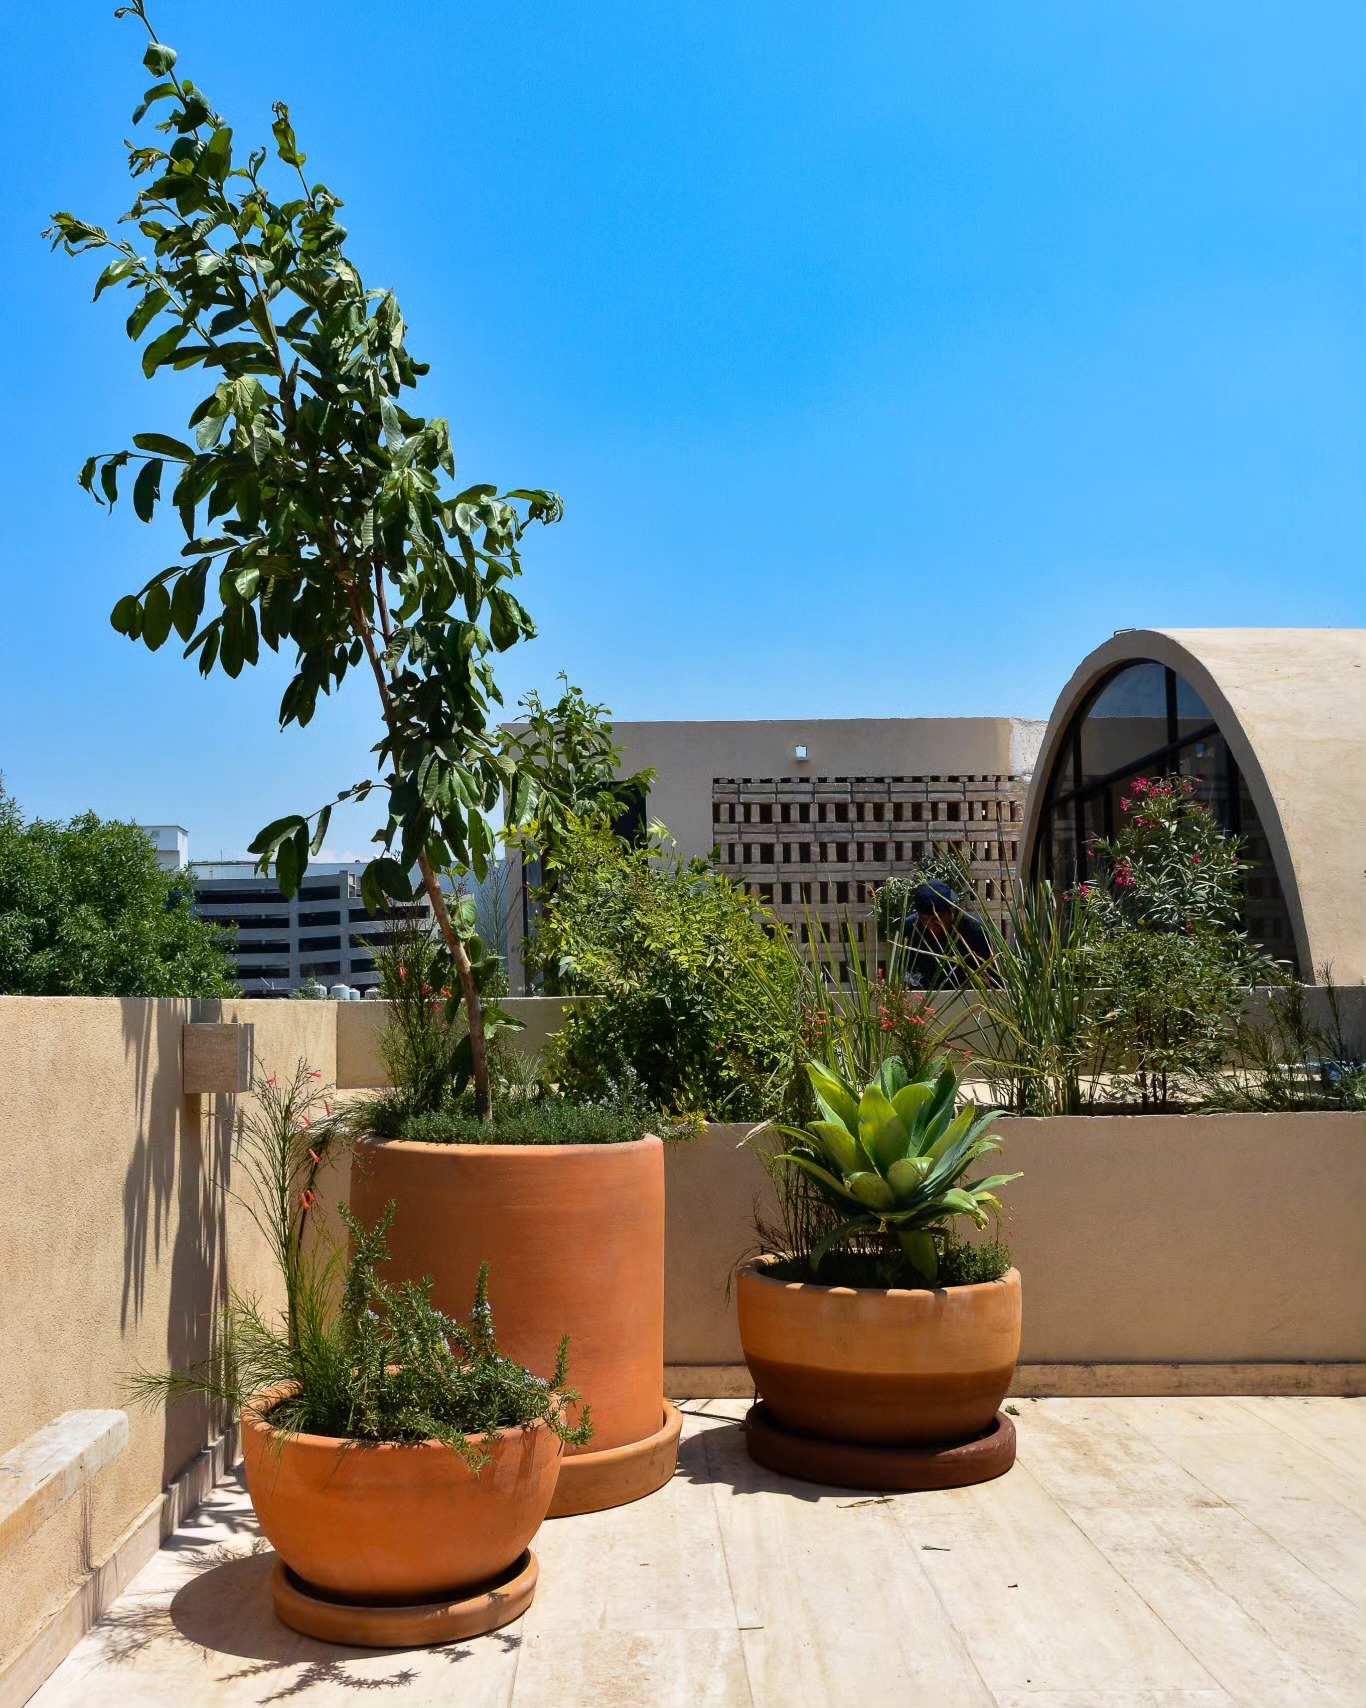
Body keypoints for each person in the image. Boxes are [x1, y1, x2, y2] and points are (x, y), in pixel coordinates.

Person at [895, 879, 991, 989]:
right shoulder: (909, 929)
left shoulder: (976, 929)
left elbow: (991, 977)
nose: (931, 925)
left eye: (937, 918)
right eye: (925, 919)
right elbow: (902, 974)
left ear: (951, 910)